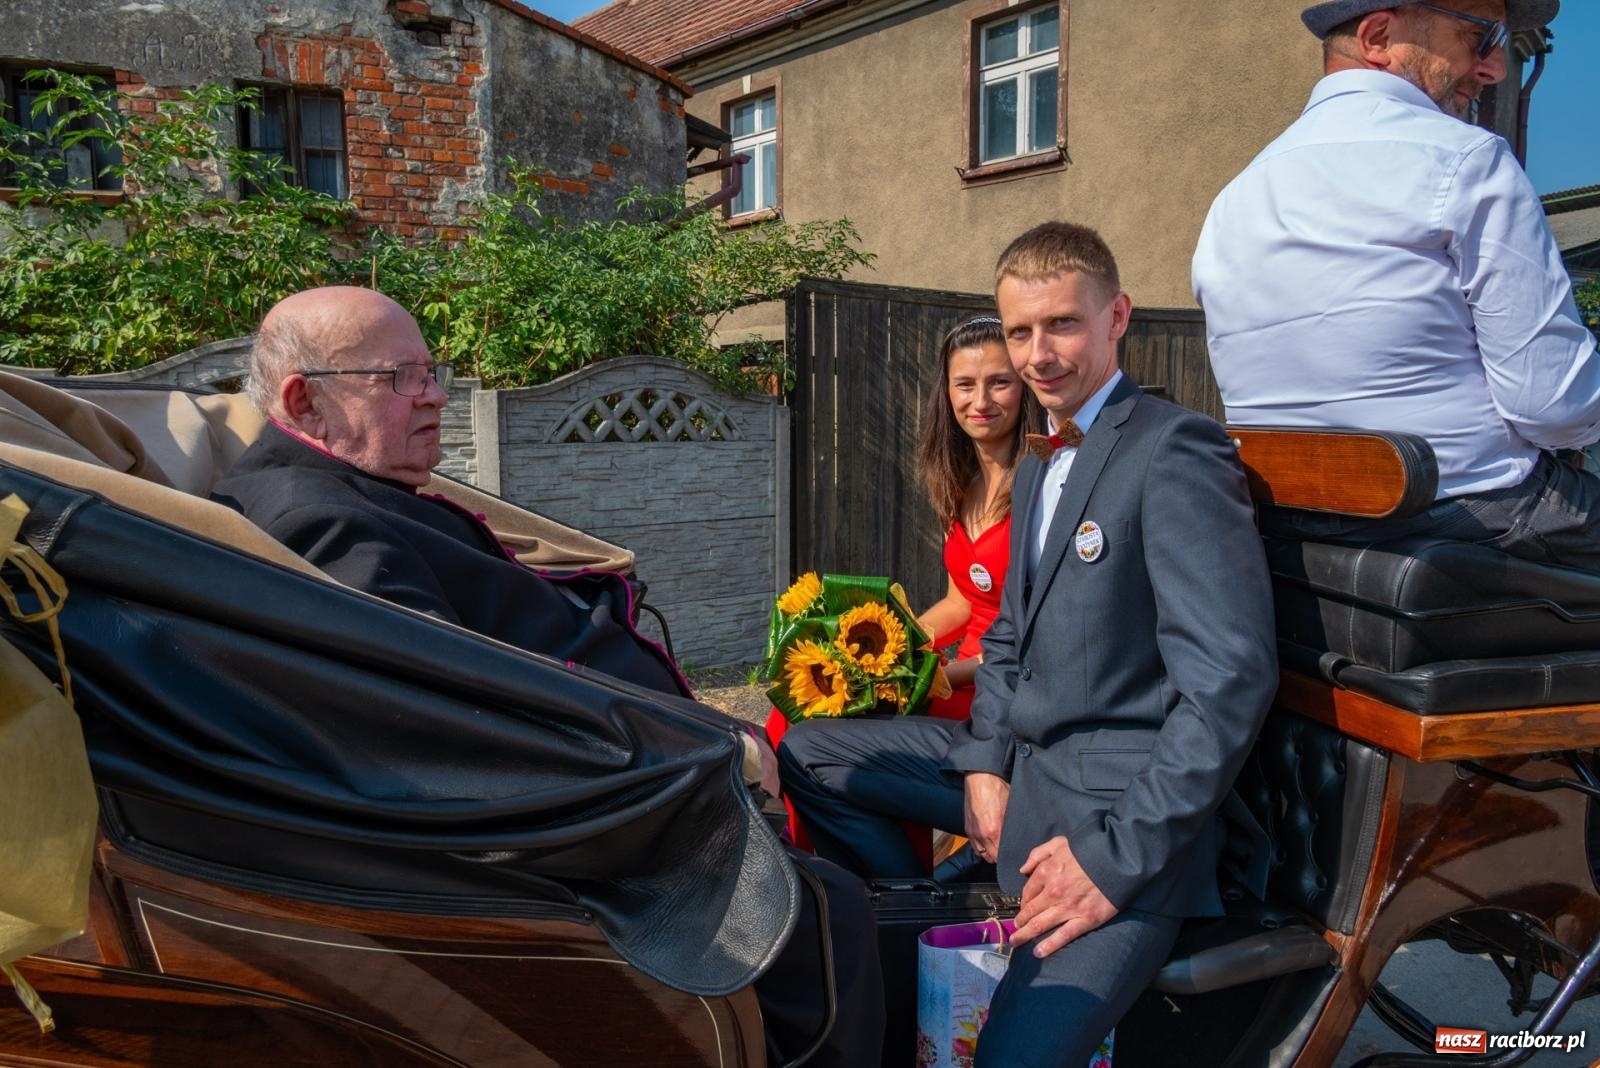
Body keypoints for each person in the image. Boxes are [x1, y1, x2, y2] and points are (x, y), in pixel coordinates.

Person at [213, 285, 883, 1068]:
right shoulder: (317, 518)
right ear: (305, 400)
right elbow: (450, 722)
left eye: (432, 372)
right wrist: (693, 750)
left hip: (610, 773)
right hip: (568, 816)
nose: (434, 395)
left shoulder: (353, 488)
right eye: (401, 378)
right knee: (830, 913)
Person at [779, 222, 1278, 1067]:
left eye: (1062, 325)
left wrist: (1112, 861)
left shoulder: (1172, 448)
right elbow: (1009, 632)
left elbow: (1228, 681)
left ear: (1118, 316)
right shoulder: (1046, 456)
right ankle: (921, 914)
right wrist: (983, 762)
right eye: (1020, 332)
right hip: (1026, 778)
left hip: (1114, 823)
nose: (1038, 355)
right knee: (812, 751)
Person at [1192, 0, 1600, 572]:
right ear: (1380, 36)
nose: (1494, 68)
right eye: (1478, 38)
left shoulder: (1232, 199)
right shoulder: (1467, 159)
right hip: (1469, 519)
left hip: (1282, 528)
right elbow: (1552, 406)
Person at [914, 314, 1044, 721]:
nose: (981, 401)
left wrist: (945, 675)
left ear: (1025, 389)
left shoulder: (1044, 488)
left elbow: (1039, 632)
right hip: (962, 675)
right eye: (965, 384)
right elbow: (960, 604)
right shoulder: (958, 483)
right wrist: (894, 643)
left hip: (1009, 683)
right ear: (947, 392)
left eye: (999, 383)